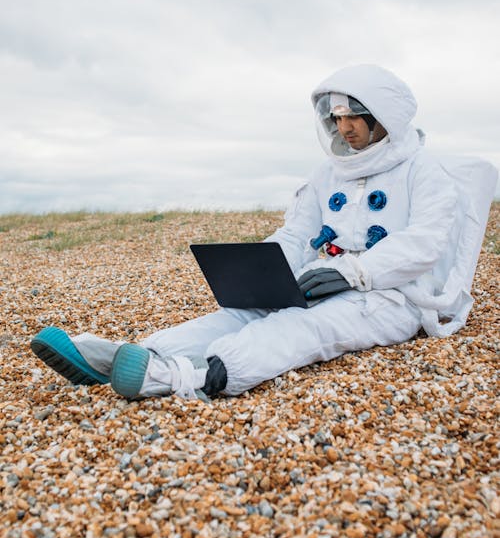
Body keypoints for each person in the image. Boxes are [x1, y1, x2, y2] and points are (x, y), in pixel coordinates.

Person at [30, 64, 497, 401]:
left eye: (354, 116)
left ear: (385, 117)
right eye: (336, 118)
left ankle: (186, 378)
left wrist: (355, 271)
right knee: (244, 311)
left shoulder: (423, 172)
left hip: (393, 296)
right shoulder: (328, 173)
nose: (344, 127)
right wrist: (263, 268)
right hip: (323, 278)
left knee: (302, 326)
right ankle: (133, 356)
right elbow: (298, 234)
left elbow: (424, 244)